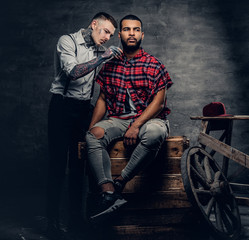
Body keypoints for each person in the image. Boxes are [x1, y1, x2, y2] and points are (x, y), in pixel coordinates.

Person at [85, 14, 173, 220]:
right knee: (93, 135)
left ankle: (119, 183)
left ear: (141, 34)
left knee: (155, 133)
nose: (131, 33)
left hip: (148, 120)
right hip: (118, 119)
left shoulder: (154, 64)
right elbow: (102, 100)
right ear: (120, 35)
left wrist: (136, 125)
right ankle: (108, 193)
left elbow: (159, 103)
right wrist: (91, 129)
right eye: (126, 29)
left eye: (135, 30)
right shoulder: (109, 64)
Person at [46, 12, 122, 239]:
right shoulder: (67, 41)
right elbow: (73, 72)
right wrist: (102, 58)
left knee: (79, 166)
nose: (108, 37)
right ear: (93, 24)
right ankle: (51, 222)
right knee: (58, 166)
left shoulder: (102, 50)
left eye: (111, 34)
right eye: (105, 31)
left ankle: (75, 221)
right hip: (61, 107)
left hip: (83, 111)